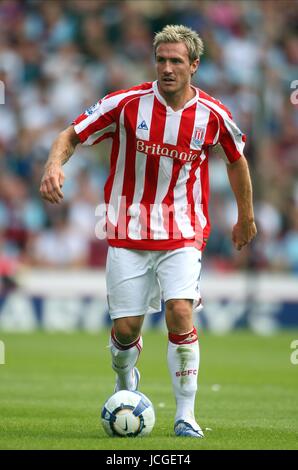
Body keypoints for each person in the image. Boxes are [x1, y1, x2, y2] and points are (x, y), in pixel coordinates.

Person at [40, 24, 257, 438]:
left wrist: (245, 216)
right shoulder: (126, 103)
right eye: (161, 60)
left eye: (177, 61)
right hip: (126, 227)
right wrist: (53, 165)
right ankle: (125, 385)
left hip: (183, 229)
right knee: (126, 331)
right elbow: (72, 133)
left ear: (194, 65)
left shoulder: (212, 114)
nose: (167, 68)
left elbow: (236, 160)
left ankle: (186, 415)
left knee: (180, 311)